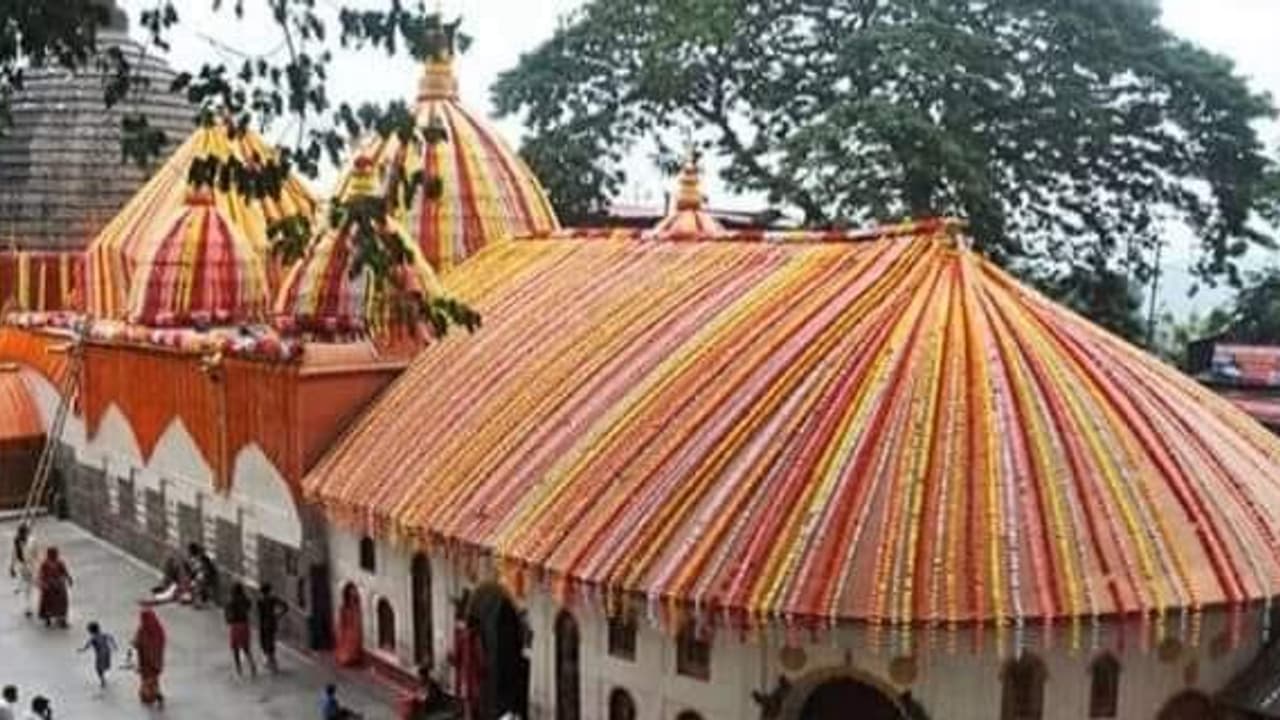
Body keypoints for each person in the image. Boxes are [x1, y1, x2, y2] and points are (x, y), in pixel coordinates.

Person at [132, 608, 166, 707]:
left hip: (146, 660)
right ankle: (155, 693)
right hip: (155, 660)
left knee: (147, 678)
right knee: (153, 678)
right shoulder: (158, 629)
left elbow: (138, 641)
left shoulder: (143, 629)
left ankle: (149, 696)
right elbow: (161, 642)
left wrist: (137, 644)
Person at [225, 582, 256, 677]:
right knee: (246, 647)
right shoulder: (245, 600)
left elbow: (228, 615)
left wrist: (229, 620)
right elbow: (249, 606)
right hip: (244, 624)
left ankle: (238, 668)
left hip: (235, 625)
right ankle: (252, 665)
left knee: (235, 649)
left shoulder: (231, 601)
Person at [256, 583, 288, 673]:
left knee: (265, 643)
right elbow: (285, 606)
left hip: (264, 624)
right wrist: (278, 615)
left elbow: (260, 615)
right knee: (270, 642)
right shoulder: (272, 599)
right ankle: (272, 662)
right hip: (272, 622)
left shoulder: (260, 601)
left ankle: (271, 662)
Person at [36, 547, 71, 628]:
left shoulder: (59, 562)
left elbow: (65, 571)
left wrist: (69, 578)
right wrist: (42, 583)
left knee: (61, 603)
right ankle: (48, 618)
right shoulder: (45, 563)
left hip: (58, 585)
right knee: (49, 604)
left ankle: (61, 619)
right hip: (50, 586)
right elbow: (41, 574)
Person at [78, 620, 118, 687]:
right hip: (107, 652)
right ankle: (104, 674)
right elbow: (111, 637)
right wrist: (114, 645)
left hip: (100, 654)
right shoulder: (104, 634)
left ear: (90, 631)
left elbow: (87, 645)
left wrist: (82, 650)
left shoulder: (93, 638)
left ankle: (102, 680)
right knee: (105, 666)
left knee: (97, 668)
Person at [334, 585, 363, 667]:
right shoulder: (344, 607)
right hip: (347, 629)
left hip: (353, 628)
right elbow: (341, 620)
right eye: (351, 596)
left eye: (354, 596)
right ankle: (346, 659)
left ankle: (352, 658)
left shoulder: (356, 607)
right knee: (347, 643)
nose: (352, 598)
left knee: (353, 642)